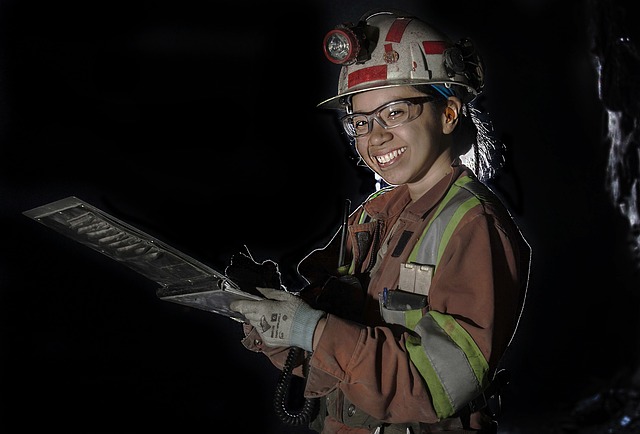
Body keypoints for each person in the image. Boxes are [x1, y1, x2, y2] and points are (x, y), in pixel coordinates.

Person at [228, 9, 531, 434]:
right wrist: (270, 316)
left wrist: (312, 331)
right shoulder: (372, 215)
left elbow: (434, 386)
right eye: (361, 122)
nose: (376, 136)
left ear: (448, 114)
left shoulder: (474, 227)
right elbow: (330, 355)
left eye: (395, 112)